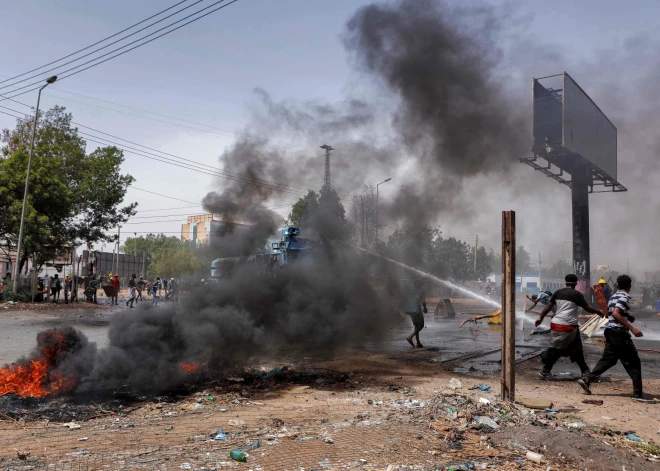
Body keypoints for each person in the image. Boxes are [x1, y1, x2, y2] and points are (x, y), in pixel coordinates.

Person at [578, 275, 647, 400]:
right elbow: (615, 313)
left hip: (610, 331)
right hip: (619, 333)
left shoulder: (613, 296)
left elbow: (609, 312)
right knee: (633, 362)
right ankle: (637, 394)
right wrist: (632, 328)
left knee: (609, 359)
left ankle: (587, 379)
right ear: (629, 287)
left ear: (617, 285)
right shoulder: (624, 297)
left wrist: (627, 316)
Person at [535, 274, 603, 379]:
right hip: (568, 326)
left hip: (557, 324)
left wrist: (541, 318)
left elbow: (549, 306)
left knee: (568, 348)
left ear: (565, 282)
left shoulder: (558, 292)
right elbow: (587, 308)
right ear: (576, 283)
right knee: (565, 349)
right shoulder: (576, 295)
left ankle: (584, 372)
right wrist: (598, 312)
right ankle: (546, 367)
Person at [403, 279, 428, 348]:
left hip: (410, 309)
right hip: (417, 308)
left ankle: (418, 342)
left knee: (416, 325)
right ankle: (410, 337)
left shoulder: (411, 288)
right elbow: (423, 301)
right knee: (421, 325)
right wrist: (425, 308)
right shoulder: (422, 289)